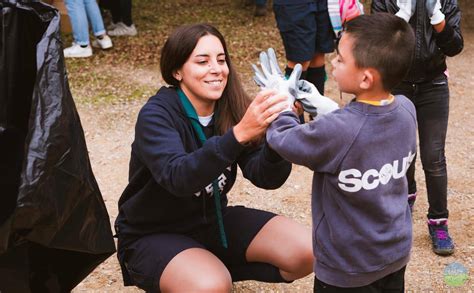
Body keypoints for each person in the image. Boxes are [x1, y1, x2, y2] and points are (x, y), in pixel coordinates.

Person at [114, 23, 313, 292]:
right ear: (177, 71)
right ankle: (196, 275)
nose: (216, 69)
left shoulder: (231, 106)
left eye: (221, 60)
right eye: (202, 61)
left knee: (309, 250)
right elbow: (178, 178)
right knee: (211, 286)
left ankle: (204, 267)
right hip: (152, 233)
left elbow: (265, 177)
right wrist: (239, 134)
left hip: (212, 223)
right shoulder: (157, 114)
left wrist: (278, 134)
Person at [266, 13, 417, 291]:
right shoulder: (406, 109)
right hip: (394, 253)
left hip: (346, 266)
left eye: (340, 59)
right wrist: (333, 111)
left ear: (366, 78)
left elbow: (285, 139)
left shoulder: (338, 130)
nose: (333, 63)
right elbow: (365, 131)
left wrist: (283, 105)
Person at [372, 0, 463, 256]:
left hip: (433, 85)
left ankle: (439, 223)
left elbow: (455, 46)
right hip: (398, 85)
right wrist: (401, 18)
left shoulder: (445, 0)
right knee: (403, 152)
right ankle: (404, 201)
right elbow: (378, 49)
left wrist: (438, 18)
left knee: (434, 159)